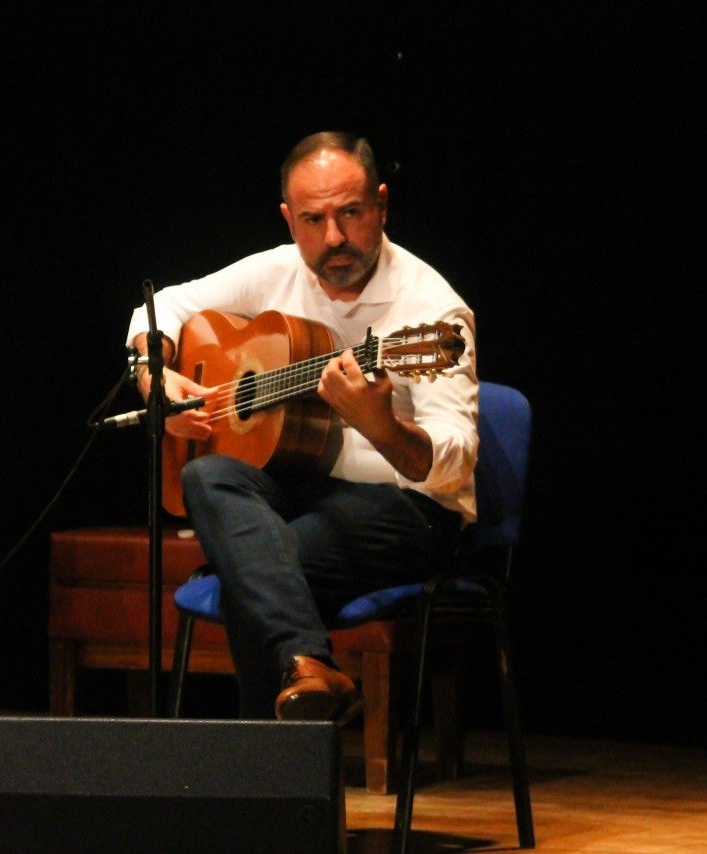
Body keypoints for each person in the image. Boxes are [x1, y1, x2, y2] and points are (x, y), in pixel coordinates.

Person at [125, 131, 477, 722]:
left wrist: (382, 426)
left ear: (382, 206)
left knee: (253, 568)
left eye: (351, 214)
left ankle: (269, 780)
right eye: (313, 220)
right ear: (289, 219)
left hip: (408, 511)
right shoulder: (279, 270)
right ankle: (308, 672)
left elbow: (457, 460)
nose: (333, 237)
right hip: (305, 493)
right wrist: (153, 373)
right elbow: (161, 308)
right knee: (208, 475)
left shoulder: (432, 315)